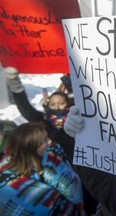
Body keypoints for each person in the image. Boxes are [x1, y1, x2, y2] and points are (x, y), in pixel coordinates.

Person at [3, 66, 98, 215]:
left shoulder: (79, 121)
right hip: (53, 178)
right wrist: (15, 85)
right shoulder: (44, 123)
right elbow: (26, 109)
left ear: (68, 105)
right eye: (52, 104)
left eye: (61, 103)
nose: (56, 107)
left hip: (82, 172)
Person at [0, 121, 86, 215]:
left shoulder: (5, 164)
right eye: (45, 140)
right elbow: (73, 190)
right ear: (33, 147)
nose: (49, 141)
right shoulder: (50, 163)